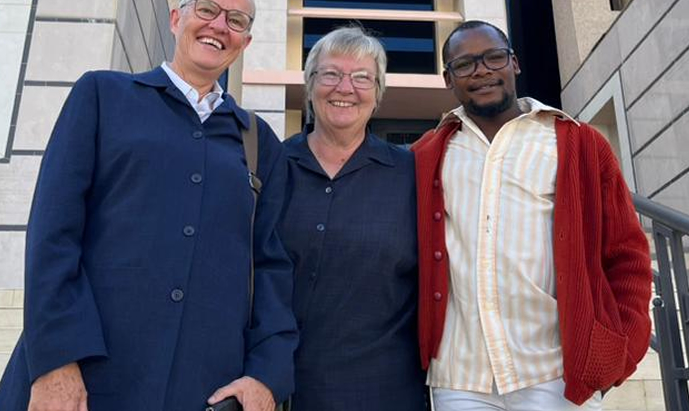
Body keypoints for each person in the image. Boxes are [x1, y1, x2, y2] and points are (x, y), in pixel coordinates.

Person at [0, 0, 296, 411]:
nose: (218, 26)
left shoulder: (259, 141)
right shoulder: (103, 96)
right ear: (176, 18)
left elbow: (271, 269)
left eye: (236, 20)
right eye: (206, 9)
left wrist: (266, 376)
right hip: (85, 379)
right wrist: (55, 360)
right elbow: (53, 235)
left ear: (245, 42)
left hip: (204, 390)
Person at [413, 20, 651, 410]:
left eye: (493, 58)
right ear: (448, 79)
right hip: (459, 377)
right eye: (465, 64)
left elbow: (628, 255)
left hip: (555, 373)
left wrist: (619, 351)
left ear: (514, 63)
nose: (482, 71)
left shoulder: (579, 143)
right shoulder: (427, 154)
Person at [278, 26, 429, 410]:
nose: (345, 88)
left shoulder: (411, 173)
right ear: (310, 85)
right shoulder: (272, 165)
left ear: (377, 93)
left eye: (362, 77)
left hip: (386, 391)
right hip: (282, 388)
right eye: (330, 74)